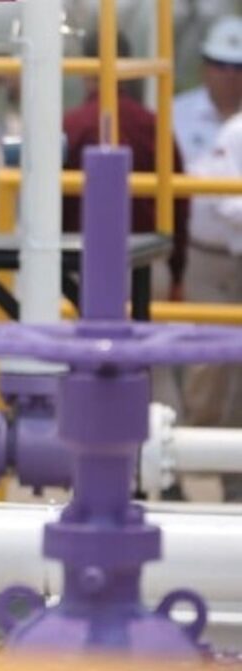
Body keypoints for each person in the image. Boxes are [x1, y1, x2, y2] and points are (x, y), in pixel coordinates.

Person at [62, 30, 189, 301]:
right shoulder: (153, 124)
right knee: (145, 341)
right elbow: (179, 202)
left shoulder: (71, 126)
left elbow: (50, 203)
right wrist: (177, 273)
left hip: (78, 263)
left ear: (84, 66)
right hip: (146, 259)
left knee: (73, 343)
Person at [182, 111, 242, 501]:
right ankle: (189, 458)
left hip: (230, 258)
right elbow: (228, 200)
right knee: (208, 367)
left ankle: (232, 477)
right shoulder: (238, 131)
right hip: (216, 258)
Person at [173, 16, 242, 169]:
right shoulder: (174, 115)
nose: (230, 74)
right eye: (220, 64)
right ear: (204, 67)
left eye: (238, 66)